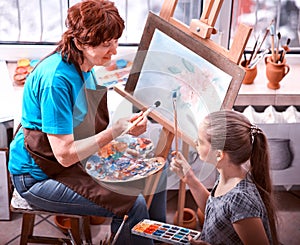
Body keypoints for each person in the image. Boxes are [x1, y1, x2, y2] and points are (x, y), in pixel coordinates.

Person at [8, 1, 164, 244]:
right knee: (134, 204)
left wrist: (126, 131)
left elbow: (83, 126)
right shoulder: (56, 80)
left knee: (156, 177)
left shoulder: (85, 63)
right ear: (80, 42)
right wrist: (116, 131)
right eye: (105, 45)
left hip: (70, 162)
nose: (113, 52)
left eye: (115, 42)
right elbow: (65, 155)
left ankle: (159, 240)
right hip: (40, 175)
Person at [170, 110, 278, 245]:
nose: (196, 142)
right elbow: (215, 213)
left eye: (201, 141)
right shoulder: (229, 173)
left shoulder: (241, 200)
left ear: (219, 155)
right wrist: (189, 178)